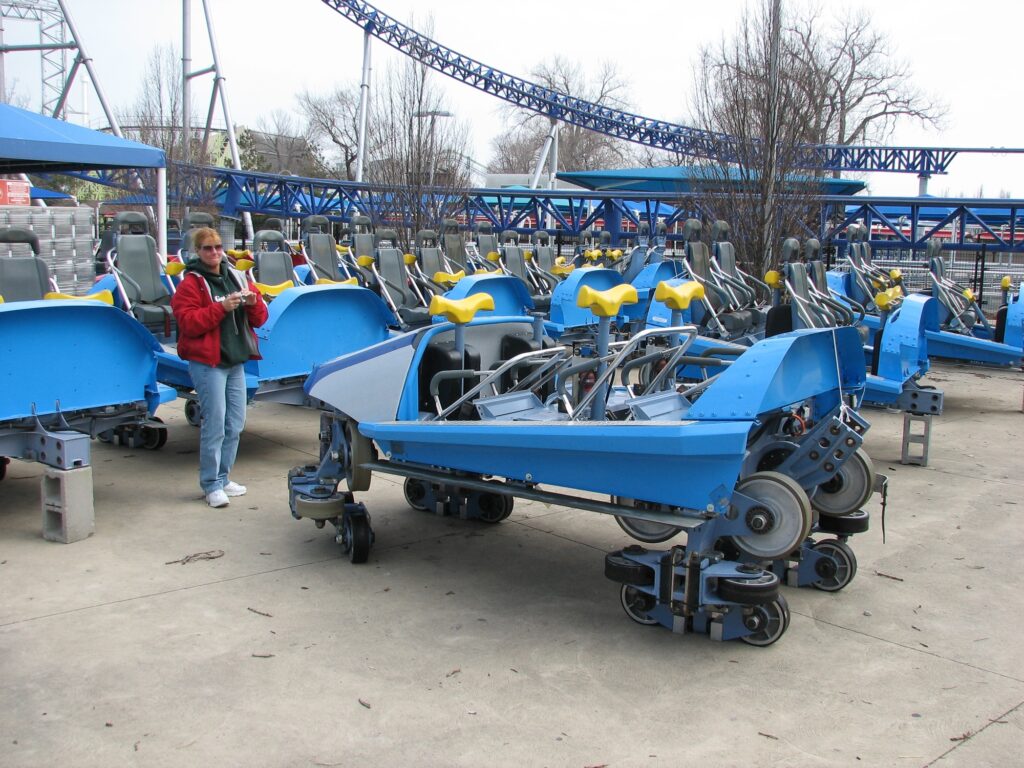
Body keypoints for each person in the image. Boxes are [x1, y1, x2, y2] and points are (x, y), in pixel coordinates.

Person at [171, 227, 269, 508]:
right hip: (207, 364)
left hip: (234, 361)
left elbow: (260, 318)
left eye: (217, 247)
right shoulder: (190, 284)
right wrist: (221, 308)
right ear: (197, 252)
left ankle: (223, 478)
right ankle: (211, 484)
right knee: (214, 424)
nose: (214, 253)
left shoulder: (236, 275)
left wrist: (252, 303)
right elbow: (188, 323)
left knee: (235, 424)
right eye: (207, 248)